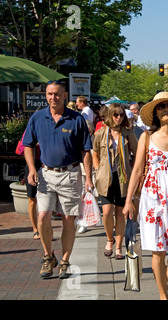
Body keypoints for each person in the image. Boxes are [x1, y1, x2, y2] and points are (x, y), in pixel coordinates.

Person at [122, 91, 168, 300]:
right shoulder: (146, 136)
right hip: (152, 200)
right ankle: (163, 296)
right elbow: (137, 170)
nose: (166, 109)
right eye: (161, 106)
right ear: (155, 112)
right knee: (158, 251)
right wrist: (129, 201)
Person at [23, 80, 94, 279]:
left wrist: (88, 178)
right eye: (49, 94)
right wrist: (31, 169)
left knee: (69, 219)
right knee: (43, 215)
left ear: (64, 96)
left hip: (70, 174)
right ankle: (48, 257)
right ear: (46, 95)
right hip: (46, 174)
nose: (52, 97)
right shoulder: (38, 117)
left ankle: (64, 260)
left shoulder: (76, 119)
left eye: (56, 94)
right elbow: (28, 144)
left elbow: (85, 151)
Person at [93, 103, 138, 259]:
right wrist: (98, 170)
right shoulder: (101, 133)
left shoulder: (128, 134)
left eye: (121, 115)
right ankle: (109, 240)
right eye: (116, 115)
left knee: (120, 213)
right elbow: (95, 153)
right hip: (105, 178)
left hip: (123, 178)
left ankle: (118, 246)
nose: (119, 118)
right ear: (110, 116)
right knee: (106, 212)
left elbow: (137, 154)